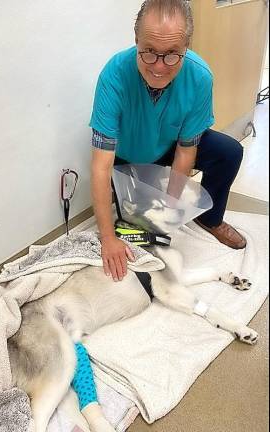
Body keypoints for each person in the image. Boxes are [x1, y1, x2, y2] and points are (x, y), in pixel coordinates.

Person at [90, 0, 247, 282]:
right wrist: (106, 238)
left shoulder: (199, 76)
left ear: (187, 46)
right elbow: (101, 165)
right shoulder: (114, 75)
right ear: (136, 40)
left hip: (170, 145)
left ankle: (210, 219)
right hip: (129, 157)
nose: (159, 67)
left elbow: (187, 151)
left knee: (229, 152)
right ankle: (131, 216)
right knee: (135, 236)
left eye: (172, 54)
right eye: (149, 52)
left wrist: (170, 206)